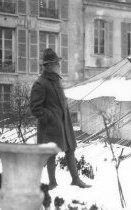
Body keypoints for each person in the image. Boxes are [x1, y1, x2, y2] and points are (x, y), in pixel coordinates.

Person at [30, 48, 91, 190]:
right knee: (52, 154)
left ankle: (76, 179)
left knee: (70, 149)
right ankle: (52, 182)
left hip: (64, 124)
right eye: (56, 63)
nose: (59, 65)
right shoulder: (40, 83)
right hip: (51, 126)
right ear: (49, 66)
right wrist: (51, 117)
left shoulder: (56, 81)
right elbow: (35, 108)